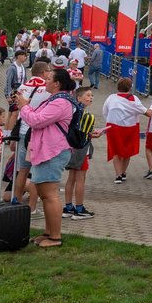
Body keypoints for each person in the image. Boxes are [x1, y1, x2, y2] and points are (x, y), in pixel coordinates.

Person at [16, 68, 76, 247]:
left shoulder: (60, 102)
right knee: (44, 194)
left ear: (57, 83)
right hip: (47, 151)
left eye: (48, 78)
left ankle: (55, 237)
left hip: (53, 152)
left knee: (50, 195)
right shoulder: (56, 99)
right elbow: (39, 117)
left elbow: (36, 120)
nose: (45, 81)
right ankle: (48, 232)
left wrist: (23, 107)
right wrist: (27, 107)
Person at [11, 60, 52, 213]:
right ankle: (32, 207)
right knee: (36, 172)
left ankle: (16, 201)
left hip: (23, 130)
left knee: (23, 169)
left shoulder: (23, 86)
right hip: (39, 132)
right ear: (44, 72)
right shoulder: (47, 88)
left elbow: (16, 109)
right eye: (48, 71)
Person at [102, 77, 152, 183]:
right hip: (130, 128)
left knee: (115, 151)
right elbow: (147, 113)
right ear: (130, 87)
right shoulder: (133, 98)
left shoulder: (111, 97)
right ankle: (123, 172)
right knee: (127, 151)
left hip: (113, 127)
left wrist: (109, 120)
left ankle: (118, 175)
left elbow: (104, 111)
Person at [62, 87, 103, 219]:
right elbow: (82, 135)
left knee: (71, 178)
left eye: (92, 96)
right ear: (78, 98)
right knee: (80, 178)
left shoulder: (73, 111)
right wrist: (92, 135)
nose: (90, 98)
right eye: (88, 95)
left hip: (71, 147)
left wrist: (90, 134)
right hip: (81, 148)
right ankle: (79, 209)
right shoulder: (83, 114)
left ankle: (68, 207)